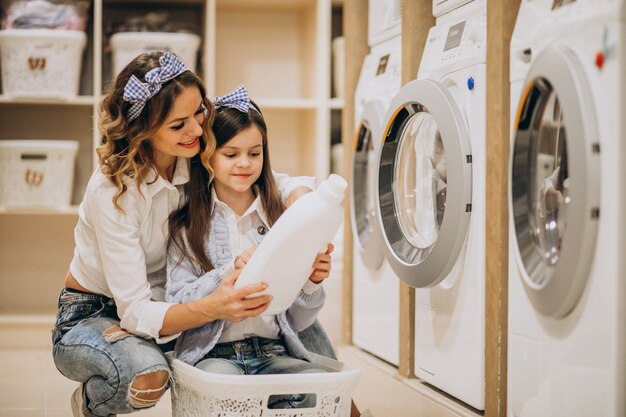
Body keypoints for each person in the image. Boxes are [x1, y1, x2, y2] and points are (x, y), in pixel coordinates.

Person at [51, 52, 336, 417]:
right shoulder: (113, 192)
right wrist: (214, 305)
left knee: (303, 340)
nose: (198, 131)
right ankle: (93, 404)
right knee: (145, 375)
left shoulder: (194, 152)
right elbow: (135, 311)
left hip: (174, 298)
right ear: (143, 131)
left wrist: (301, 207)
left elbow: (262, 172)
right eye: (178, 124)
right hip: (102, 311)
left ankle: (341, 406)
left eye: (200, 112)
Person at [166, 85, 332, 408]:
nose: (244, 163)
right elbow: (176, 301)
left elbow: (296, 322)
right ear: (208, 155)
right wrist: (228, 274)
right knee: (221, 397)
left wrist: (312, 283)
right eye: (231, 154)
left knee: (313, 395)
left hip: (273, 352)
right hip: (214, 357)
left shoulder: (277, 218)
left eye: (254, 154)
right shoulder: (187, 226)